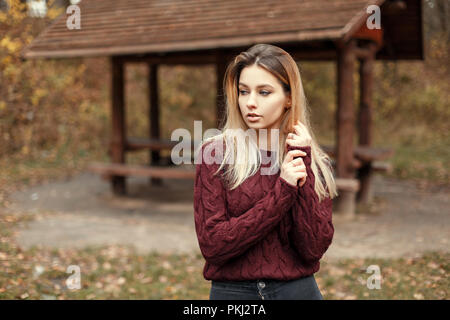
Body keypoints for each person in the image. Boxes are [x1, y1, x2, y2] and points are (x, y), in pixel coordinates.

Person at [193, 43, 338, 300]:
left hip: (297, 292)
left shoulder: (312, 160)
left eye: (264, 92)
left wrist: (302, 167)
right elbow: (213, 246)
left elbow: (313, 248)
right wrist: (283, 189)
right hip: (233, 295)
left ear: (289, 98)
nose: (250, 103)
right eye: (243, 91)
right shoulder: (215, 155)